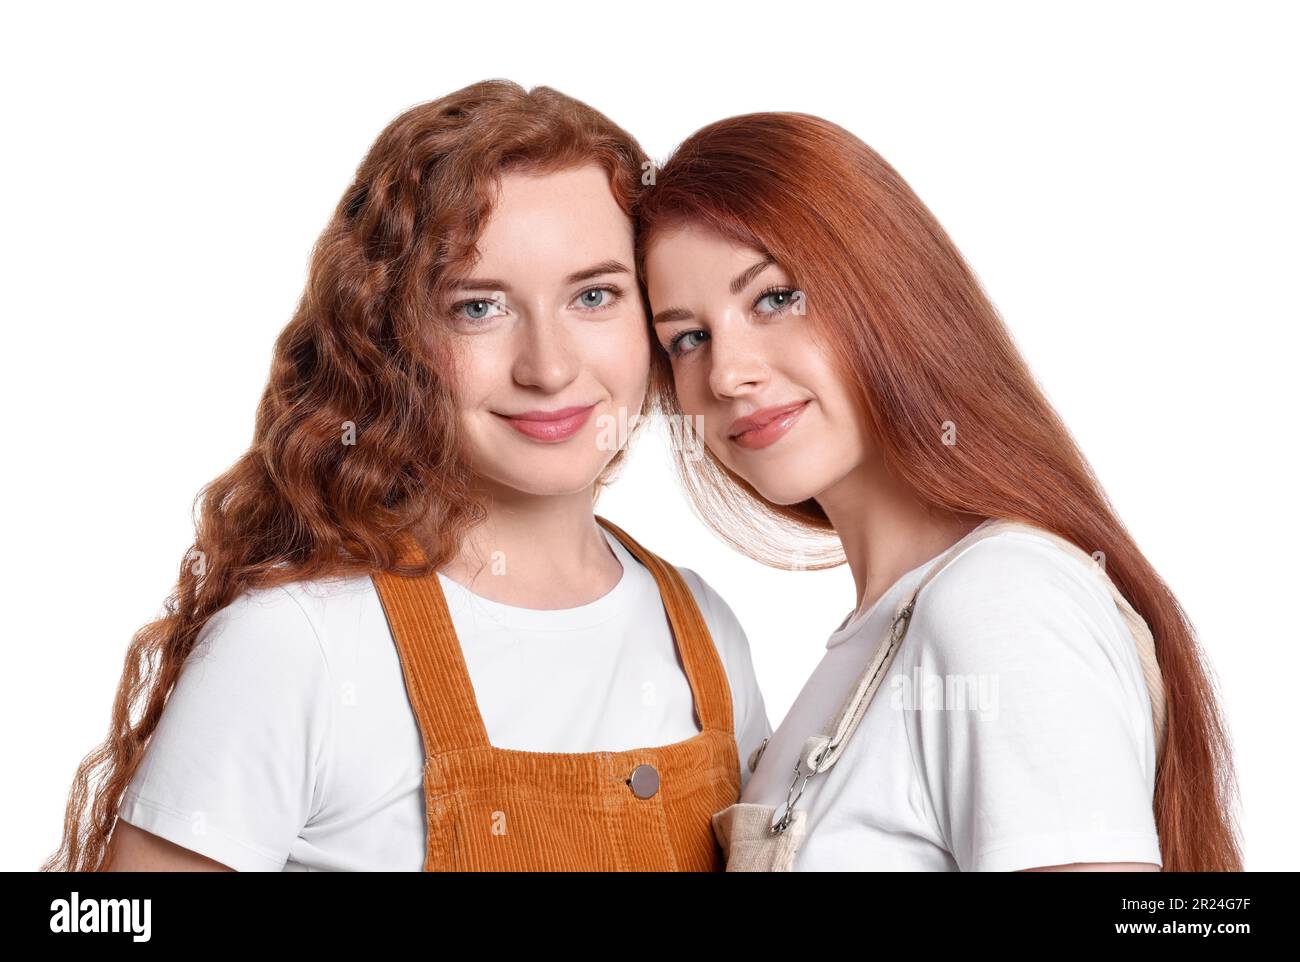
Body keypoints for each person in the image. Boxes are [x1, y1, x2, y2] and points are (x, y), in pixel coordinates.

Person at [42, 81, 770, 872]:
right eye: (477, 308)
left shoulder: (702, 630)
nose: (550, 367)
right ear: (392, 336)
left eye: (594, 296)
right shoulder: (302, 641)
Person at [636, 110, 1242, 871]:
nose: (727, 372)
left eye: (774, 297)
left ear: (890, 287)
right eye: (687, 338)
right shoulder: (880, 636)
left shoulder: (999, 600)